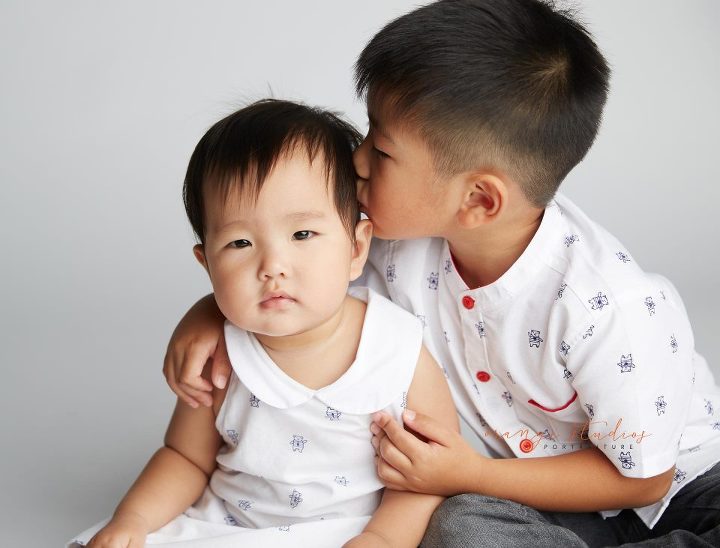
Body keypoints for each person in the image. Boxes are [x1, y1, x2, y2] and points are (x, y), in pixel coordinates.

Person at [162, 1, 720, 546]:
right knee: (455, 528)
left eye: (380, 150)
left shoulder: (607, 307)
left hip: (682, 488)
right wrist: (209, 312)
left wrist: (469, 475)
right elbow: (292, 272)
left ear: (478, 199)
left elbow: (646, 478)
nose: (355, 160)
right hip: (528, 494)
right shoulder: (393, 238)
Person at [68, 99, 458, 548]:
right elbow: (185, 459)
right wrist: (131, 521)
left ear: (355, 247)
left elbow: (425, 478)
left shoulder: (397, 351)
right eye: (239, 242)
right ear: (207, 263)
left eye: (302, 235)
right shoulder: (221, 356)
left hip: (351, 534)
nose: (273, 265)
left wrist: (383, 539)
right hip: (230, 527)